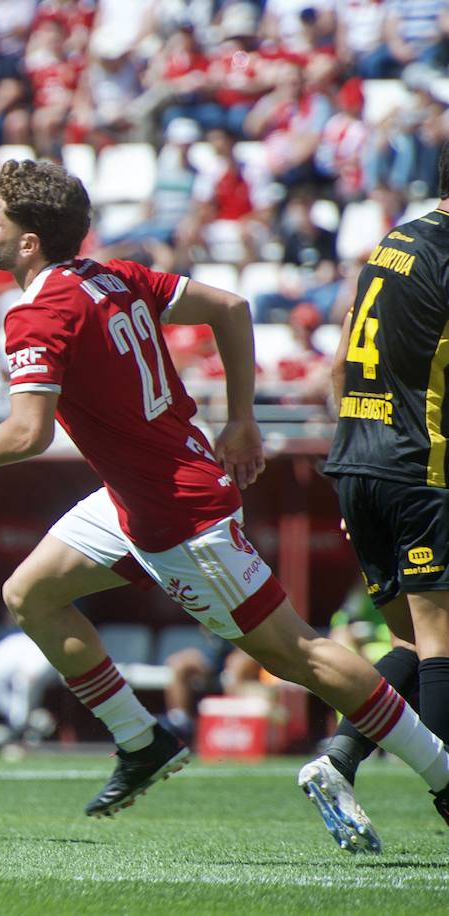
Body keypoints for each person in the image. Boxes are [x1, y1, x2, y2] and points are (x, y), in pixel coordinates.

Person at [0, 159, 449, 847]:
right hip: (140, 498)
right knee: (30, 593)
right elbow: (230, 307)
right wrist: (241, 418)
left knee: (298, 656)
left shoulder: (40, 313)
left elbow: (27, 432)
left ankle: (442, 772)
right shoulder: (113, 275)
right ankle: (141, 741)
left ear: (28, 240)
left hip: (183, 518)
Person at [299, 146, 449, 850]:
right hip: (421, 468)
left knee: (415, 643)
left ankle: (341, 754)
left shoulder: (392, 242)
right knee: (442, 642)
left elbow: (335, 366)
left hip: (357, 463)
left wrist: (351, 461)